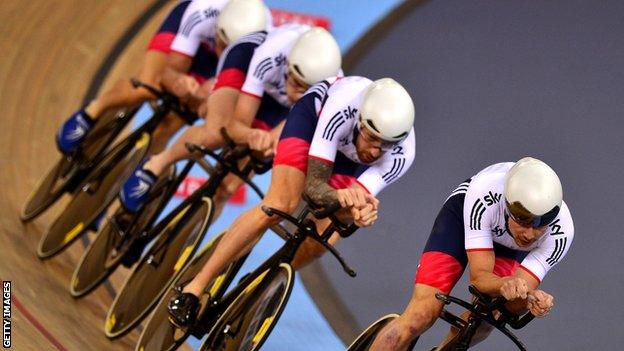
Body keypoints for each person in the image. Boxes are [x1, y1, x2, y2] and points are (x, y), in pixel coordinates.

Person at [167, 76, 417, 328]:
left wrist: (360, 213)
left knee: (322, 240)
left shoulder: (402, 154)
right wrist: (340, 197)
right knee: (278, 206)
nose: (375, 151)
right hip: (311, 125)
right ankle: (195, 286)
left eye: (385, 145)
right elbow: (313, 187)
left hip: (349, 164)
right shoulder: (343, 107)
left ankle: (266, 280)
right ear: (361, 120)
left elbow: (353, 201)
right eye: (372, 138)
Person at [119, 23, 342, 216]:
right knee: (217, 131)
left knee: (232, 183)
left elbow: (292, 127)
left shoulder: (332, 92)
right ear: (289, 66)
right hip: (245, 66)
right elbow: (238, 123)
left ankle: (186, 239)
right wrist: (250, 134)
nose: (298, 93)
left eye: (307, 89)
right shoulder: (270, 55)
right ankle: (157, 164)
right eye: (296, 83)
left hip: (284, 108)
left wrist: (267, 142)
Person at [369, 157, 574, 350]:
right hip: (463, 219)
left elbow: (516, 294)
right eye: (523, 222)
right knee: (421, 314)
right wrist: (504, 284)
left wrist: (531, 299)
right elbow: (479, 278)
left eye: (540, 227)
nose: (529, 235)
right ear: (508, 207)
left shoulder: (561, 233)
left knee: (487, 319)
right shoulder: (485, 192)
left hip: (511, 249)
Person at [55, 0, 269, 155]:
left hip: (231, 64)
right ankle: (93, 111)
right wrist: (178, 82)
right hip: (189, 34)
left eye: (228, 49)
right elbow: (170, 70)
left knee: (176, 120)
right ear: (218, 26)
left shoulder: (259, 50)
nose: (222, 51)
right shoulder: (203, 12)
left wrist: (203, 95)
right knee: (148, 85)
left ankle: (118, 181)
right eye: (221, 43)